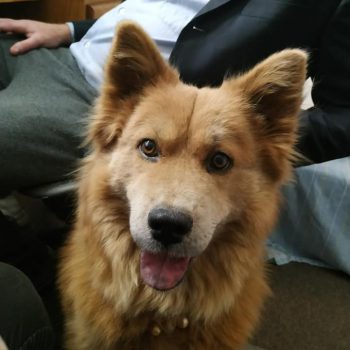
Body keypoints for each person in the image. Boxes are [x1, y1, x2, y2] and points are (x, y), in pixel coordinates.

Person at [0, 0, 350, 344]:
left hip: (86, 91)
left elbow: (342, 119)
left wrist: (261, 136)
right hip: (65, 49)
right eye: (149, 148)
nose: (171, 206)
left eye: (218, 161)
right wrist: (70, 29)